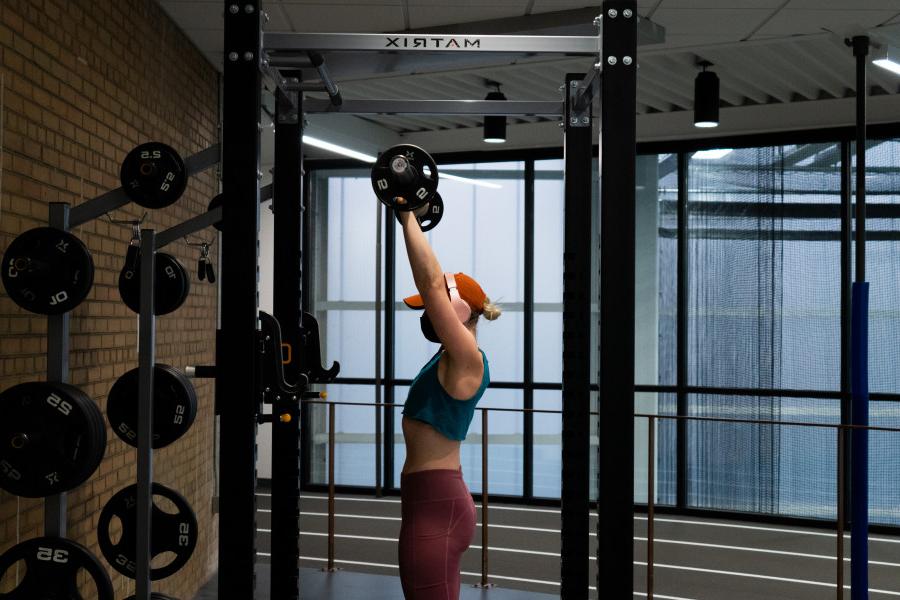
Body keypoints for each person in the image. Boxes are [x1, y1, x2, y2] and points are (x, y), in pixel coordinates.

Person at [395, 209, 501, 600]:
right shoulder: (448, 357)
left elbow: (432, 284)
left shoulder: (467, 358)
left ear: (460, 311)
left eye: (431, 305)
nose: (427, 312)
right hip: (428, 500)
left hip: (437, 504)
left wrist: (407, 216)